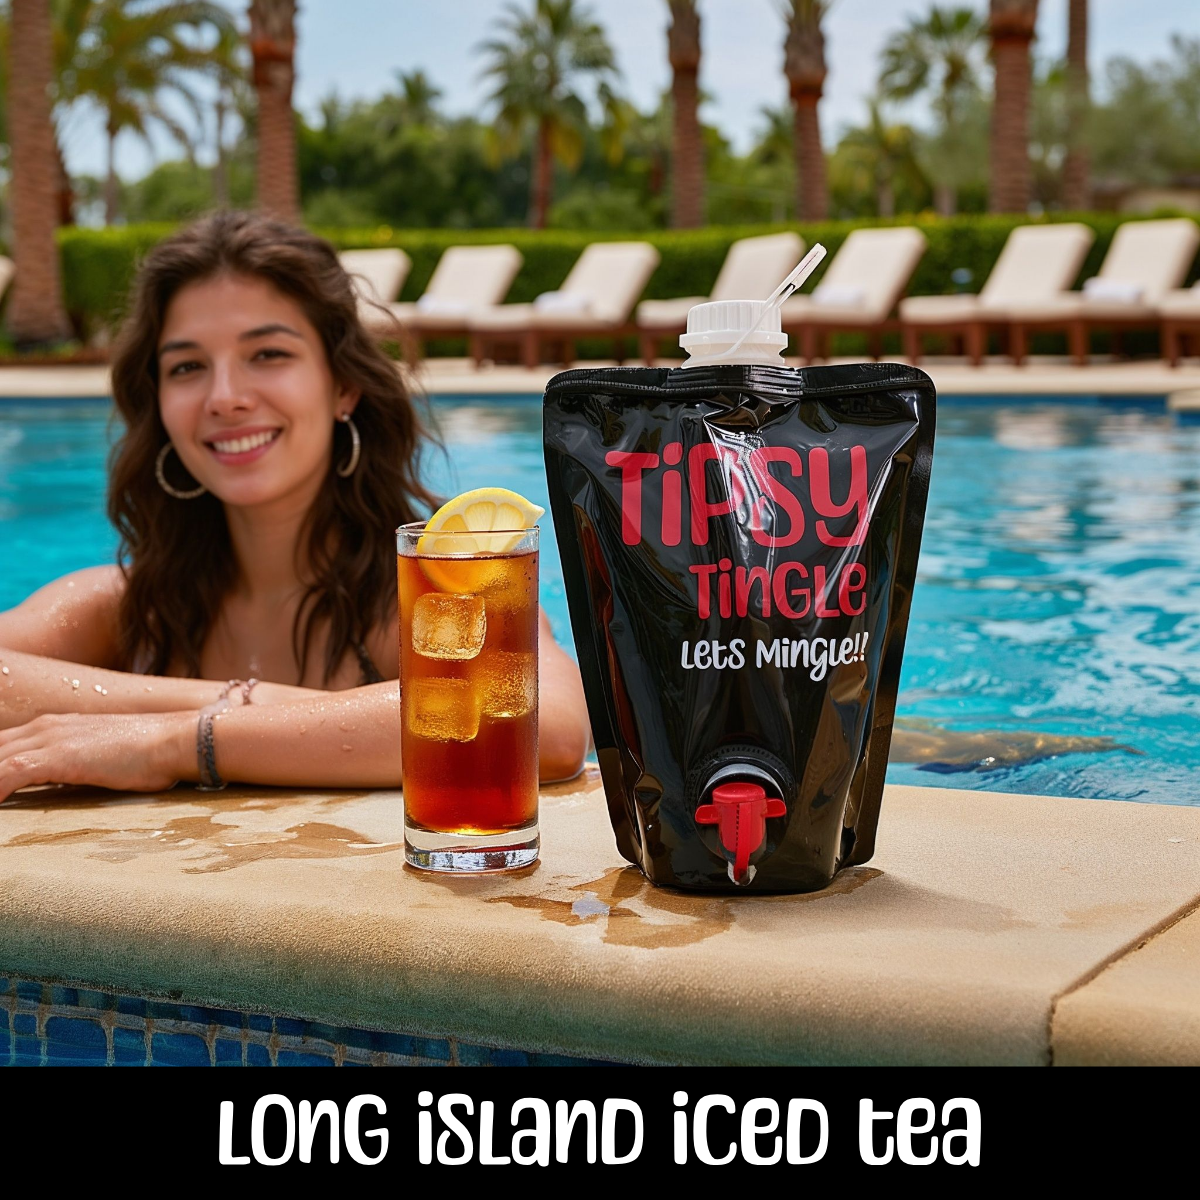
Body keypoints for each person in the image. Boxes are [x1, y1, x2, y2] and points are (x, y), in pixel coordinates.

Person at [0, 212, 590, 802]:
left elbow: (545, 724)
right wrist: (253, 701)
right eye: (187, 367)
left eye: (268, 355)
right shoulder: (125, 608)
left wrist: (178, 740)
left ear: (343, 386)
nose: (225, 397)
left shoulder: (421, 593)